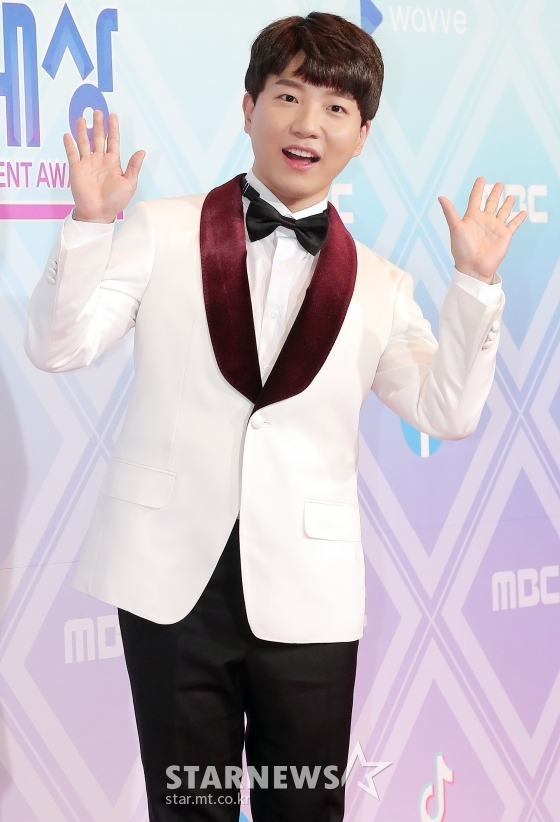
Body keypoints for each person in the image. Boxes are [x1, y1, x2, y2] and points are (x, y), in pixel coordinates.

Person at [25, 12, 525, 822]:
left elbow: (448, 411)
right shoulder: (160, 229)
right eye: (288, 96)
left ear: (362, 135)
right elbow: (59, 348)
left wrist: (474, 284)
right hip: (170, 579)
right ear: (248, 106)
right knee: (189, 808)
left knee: (305, 810)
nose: (307, 124)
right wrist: (88, 225)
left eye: (335, 108)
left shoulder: (382, 285)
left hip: (309, 593)